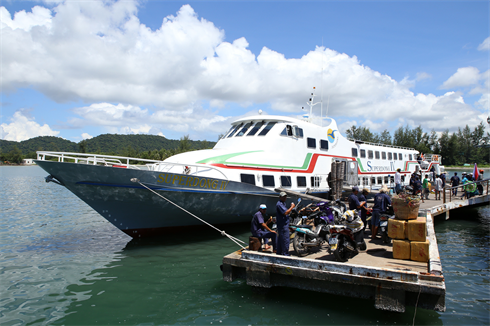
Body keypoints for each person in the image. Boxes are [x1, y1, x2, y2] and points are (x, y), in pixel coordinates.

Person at [276, 192, 295, 256]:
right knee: (285, 240)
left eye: (285, 196)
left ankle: (279, 253)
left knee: (281, 240)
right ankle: (285, 254)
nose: (285, 198)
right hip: (283, 225)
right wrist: (292, 207)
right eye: (283, 196)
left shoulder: (283, 203)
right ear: (280, 197)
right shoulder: (279, 204)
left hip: (283, 224)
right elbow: (285, 212)